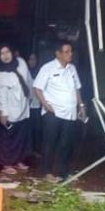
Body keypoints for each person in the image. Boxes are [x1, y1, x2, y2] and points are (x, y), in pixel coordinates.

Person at [33, 40, 86, 182]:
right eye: (67, 51)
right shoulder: (48, 68)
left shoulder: (72, 69)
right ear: (58, 54)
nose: (70, 54)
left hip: (70, 113)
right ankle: (47, 172)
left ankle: (63, 172)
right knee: (49, 143)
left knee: (66, 144)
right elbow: (37, 88)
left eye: (71, 51)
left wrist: (81, 105)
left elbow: (76, 88)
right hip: (53, 113)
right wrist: (45, 105)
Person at [0, 44, 31, 174]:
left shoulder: (21, 62)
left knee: (21, 136)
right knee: (7, 138)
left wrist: (30, 99)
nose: (5, 56)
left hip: (23, 106)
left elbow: (28, 80)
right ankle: (6, 163)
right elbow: (1, 94)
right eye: (1, 53)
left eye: (7, 51)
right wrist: (4, 113)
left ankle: (18, 160)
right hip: (9, 109)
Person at [27, 52, 42, 156]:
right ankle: (28, 149)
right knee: (28, 130)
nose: (33, 61)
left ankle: (36, 150)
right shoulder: (25, 72)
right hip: (26, 106)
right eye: (30, 59)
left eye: (34, 59)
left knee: (37, 129)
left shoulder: (40, 73)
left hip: (38, 106)